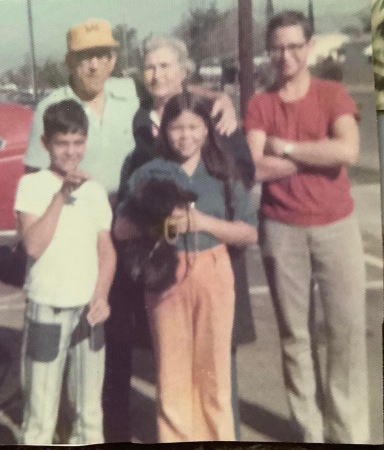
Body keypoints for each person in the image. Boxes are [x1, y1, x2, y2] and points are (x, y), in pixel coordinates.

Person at [22, 19, 237, 442]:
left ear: (114, 60)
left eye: (102, 55)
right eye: (84, 56)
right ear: (70, 61)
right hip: (84, 229)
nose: (94, 64)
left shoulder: (128, 91)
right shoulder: (52, 107)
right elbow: (36, 180)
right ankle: (100, 429)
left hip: (135, 221)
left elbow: (175, 88)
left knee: (143, 333)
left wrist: (220, 98)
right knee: (102, 341)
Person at [109, 35, 255, 442]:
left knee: (215, 377)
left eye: (194, 127)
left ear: (207, 129)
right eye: (150, 67)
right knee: (172, 379)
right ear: (163, 131)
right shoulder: (144, 161)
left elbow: (247, 222)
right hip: (165, 274)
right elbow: (123, 225)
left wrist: (202, 223)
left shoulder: (222, 157)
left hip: (214, 269)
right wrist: (162, 226)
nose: (185, 135)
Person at [244, 10, 368, 444]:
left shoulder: (332, 93)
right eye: (278, 47)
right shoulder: (261, 104)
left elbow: (347, 151)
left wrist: (290, 148)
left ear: (309, 48)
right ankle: (309, 432)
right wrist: (314, 153)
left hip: (337, 227)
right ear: (269, 51)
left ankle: (347, 432)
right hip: (281, 229)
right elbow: (255, 168)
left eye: (295, 46)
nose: (286, 56)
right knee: (295, 337)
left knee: (346, 331)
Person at [14, 99, 116, 444]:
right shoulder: (33, 186)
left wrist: (102, 294)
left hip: (89, 311)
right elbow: (33, 246)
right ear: (45, 144)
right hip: (49, 307)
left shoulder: (97, 190)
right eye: (62, 144)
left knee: (89, 415)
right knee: (41, 416)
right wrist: (61, 196)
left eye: (77, 142)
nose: (71, 152)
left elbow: (106, 249)